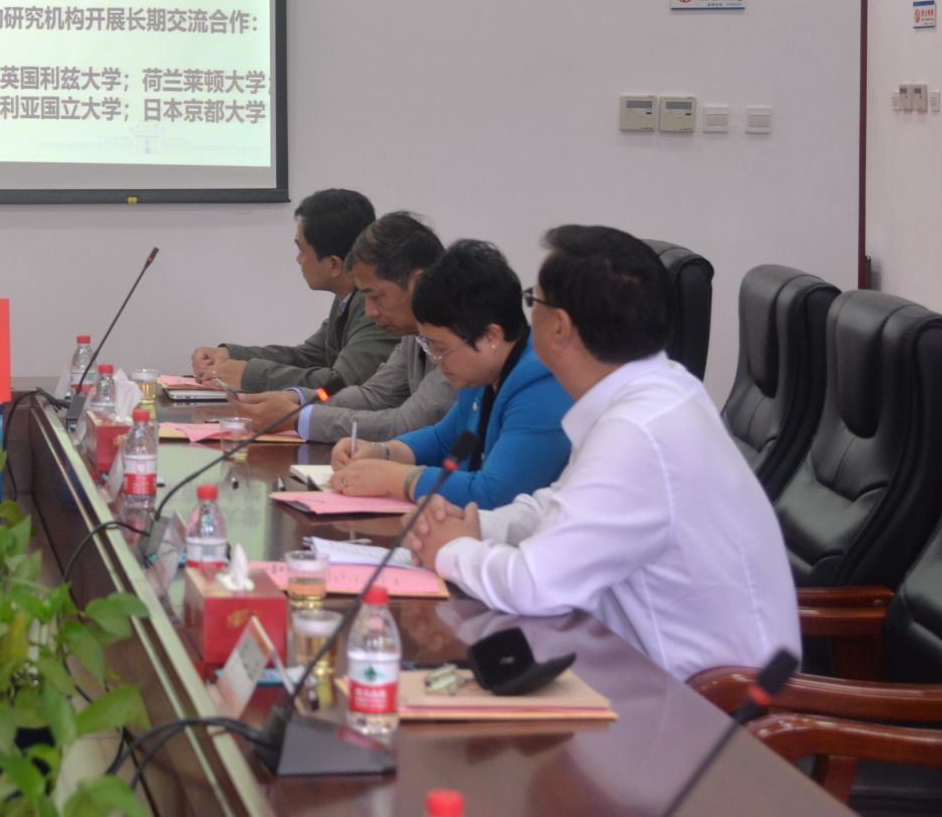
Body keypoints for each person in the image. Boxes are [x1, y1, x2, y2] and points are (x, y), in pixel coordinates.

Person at [409, 225, 799, 681]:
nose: (526, 313)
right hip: (639, 667)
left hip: (707, 702)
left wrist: (452, 549)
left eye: (534, 300)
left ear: (560, 327)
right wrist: (476, 525)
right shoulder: (653, 393)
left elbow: (537, 585)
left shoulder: (639, 431)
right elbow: (559, 506)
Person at [322, 239, 573, 509]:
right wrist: (381, 452)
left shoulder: (541, 383)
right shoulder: (483, 373)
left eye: (441, 348)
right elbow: (444, 439)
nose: (434, 359)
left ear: (490, 336)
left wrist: (395, 478)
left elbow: (494, 493)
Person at [229, 211, 459, 442]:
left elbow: (407, 424)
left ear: (416, 283)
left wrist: (299, 418)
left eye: (375, 296)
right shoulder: (413, 332)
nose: (369, 311)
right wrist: (297, 399)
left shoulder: (460, 334)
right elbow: (373, 395)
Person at [188, 188, 398, 394]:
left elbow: (338, 383)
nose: (298, 259)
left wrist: (249, 375)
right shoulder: (348, 297)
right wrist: (230, 355)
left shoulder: (376, 307)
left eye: (302, 250)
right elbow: (308, 357)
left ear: (334, 264)